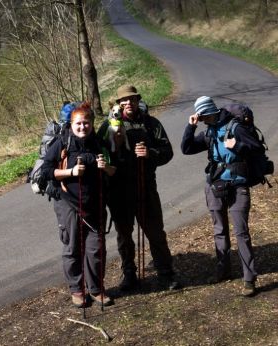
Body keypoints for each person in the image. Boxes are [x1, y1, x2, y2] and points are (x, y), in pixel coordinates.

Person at [98, 85, 180, 291]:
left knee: (155, 233)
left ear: (137, 101)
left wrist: (150, 153)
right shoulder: (107, 126)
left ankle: (165, 274)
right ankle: (129, 276)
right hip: (118, 191)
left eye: (132, 99)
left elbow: (168, 151)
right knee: (124, 237)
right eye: (123, 101)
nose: (128, 103)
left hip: (146, 187)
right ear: (117, 104)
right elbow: (99, 152)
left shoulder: (152, 124)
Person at [180, 96, 262, 296]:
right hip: (215, 185)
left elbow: (256, 148)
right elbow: (187, 148)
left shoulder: (236, 128)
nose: (199, 119)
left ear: (207, 113)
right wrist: (190, 127)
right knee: (219, 230)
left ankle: (249, 279)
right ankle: (223, 270)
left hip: (238, 185)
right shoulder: (208, 131)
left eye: (200, 116)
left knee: (241, 232)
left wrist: (238, 146)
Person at [41, 102, 116, 308]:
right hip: (68, 204)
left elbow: (113, 170)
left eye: (86, 123)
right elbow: (45, 172)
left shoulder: (99, 143)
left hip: (95, 204)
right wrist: (71, 173)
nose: (82, 127)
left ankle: (96, 289)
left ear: (92, 123)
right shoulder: (61, 143)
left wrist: (106, 167)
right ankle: (77, 290)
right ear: (71, 124)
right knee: (73, 248)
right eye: (78, 123)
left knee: (96, 249)